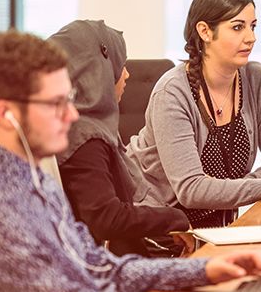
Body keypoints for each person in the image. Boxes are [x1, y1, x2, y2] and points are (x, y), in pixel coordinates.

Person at [0, 29, 261, 291]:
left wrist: (203, 269)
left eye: (69, 99)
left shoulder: (35, 180)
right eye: (55, 103)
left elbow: (99, 266)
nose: (72, 115)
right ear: (6, 114)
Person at [126, 0, 261, 229]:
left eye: (252, 26)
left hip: (219, 228)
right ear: (205, 32)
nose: (251, 38)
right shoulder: (172, 93)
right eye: (237, 27)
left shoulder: (255, 78)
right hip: (163, 231)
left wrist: (231, 189)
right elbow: (191, 190)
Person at [50, 20, 194, 257]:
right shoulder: (85, 138)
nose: (126, 74)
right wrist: (174, 218)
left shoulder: (86, 127)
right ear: (98, 71)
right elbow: (106, 218)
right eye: (120, 65)